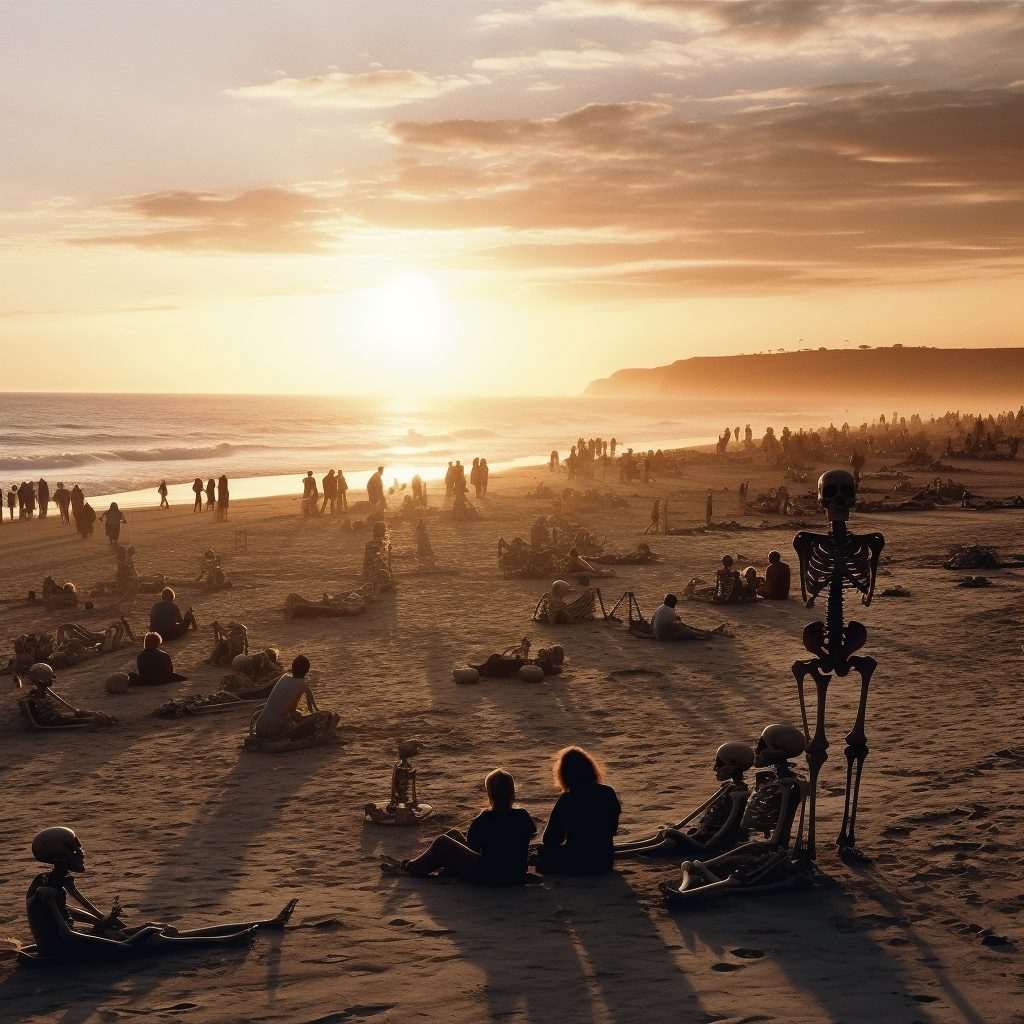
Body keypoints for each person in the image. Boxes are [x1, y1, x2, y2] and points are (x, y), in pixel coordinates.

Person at [25, 827, 296, 960]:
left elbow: (70, 911)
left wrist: (102, 922)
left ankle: (268, 923)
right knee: (153, 937)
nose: (81, 854)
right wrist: (122, 945)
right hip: (65, 950)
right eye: (75, 850)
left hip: (78, 941)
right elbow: (66, 933)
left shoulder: (53, 881)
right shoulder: (48, 890)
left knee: (162, 931)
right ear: (61, 856)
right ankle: (226, 941)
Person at [380, 770, 536, 886]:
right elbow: (529, 832)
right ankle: (423, 862)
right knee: (454, 834)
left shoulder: (484, 819)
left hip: (491, 875)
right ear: (512, 794)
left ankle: (413, 867)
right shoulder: (522, 816)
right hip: (515, 872)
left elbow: (473, 848)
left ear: (490, 795)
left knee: (442, 842)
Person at [535, 747, 620, 874]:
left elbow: (551, 839)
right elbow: (612, 829)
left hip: (578, 861)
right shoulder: (608, 793)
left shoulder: (568, 799)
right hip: (604, 861)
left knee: (544, 851)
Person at [254, 655, 334, 741]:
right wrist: (304, 720)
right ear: (307, 671)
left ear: (292, 667)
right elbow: (293, 713)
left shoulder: (284, 677)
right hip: (273, 730)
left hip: (259, 726)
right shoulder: (301, 685)